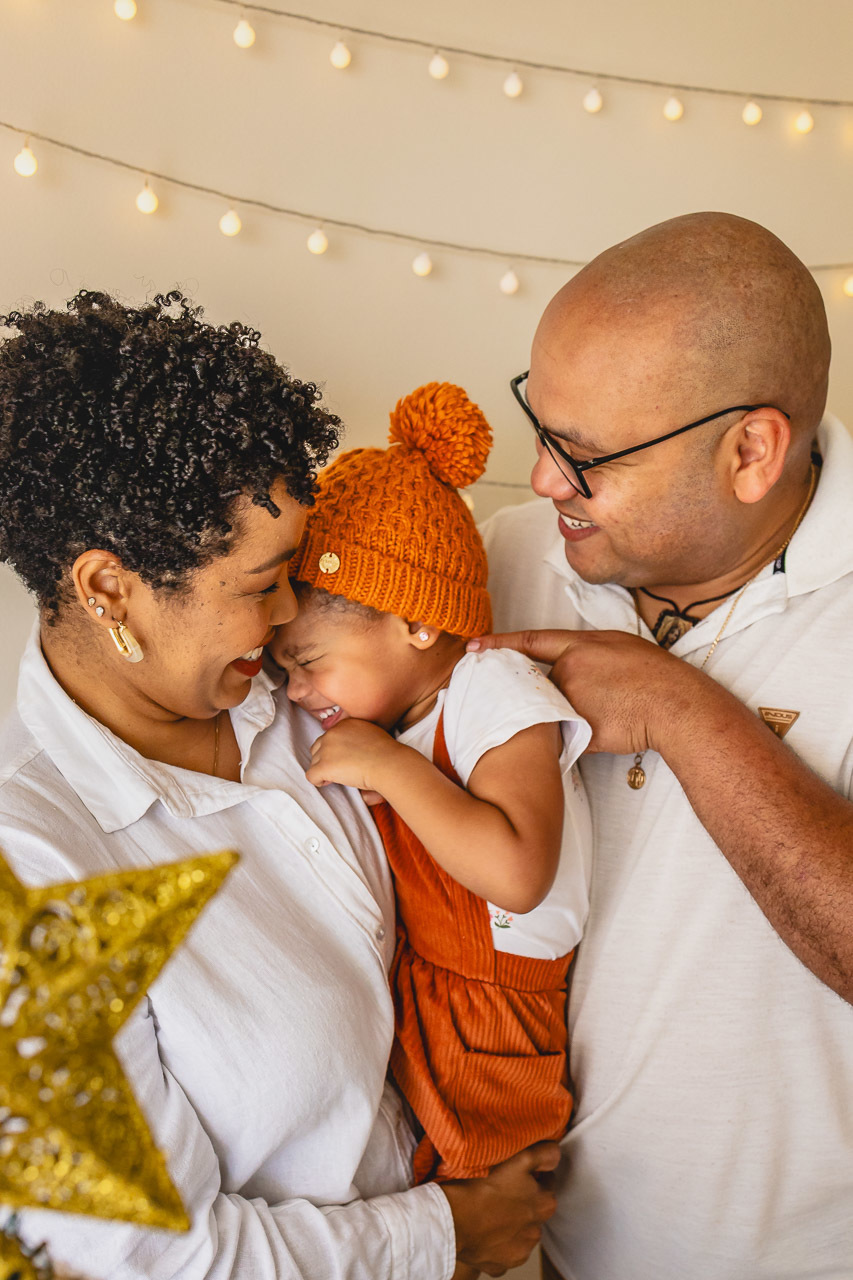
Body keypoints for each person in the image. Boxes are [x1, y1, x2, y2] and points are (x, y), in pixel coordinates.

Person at [0, 290, 558, 1280]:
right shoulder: (34, 871)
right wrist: (448, 1235)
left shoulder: (310, 697)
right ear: (108, 588)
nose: (296, 612)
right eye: (262, 585)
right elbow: (142, 1255)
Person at [471, 212, 853, 1280]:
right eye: (541, 425)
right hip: (550, 1254)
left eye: (586, 456)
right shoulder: (503, 558)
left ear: (750, 451)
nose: (541, 481)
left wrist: (682, 712)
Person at [268, 383, 592, 1210]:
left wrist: (389, 769)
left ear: (414, 622)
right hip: (430, 998)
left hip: (495, 1020)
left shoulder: (493, 688)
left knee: (480, 1210)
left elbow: (519, 873)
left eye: (307, 661)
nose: (297, 691)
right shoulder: (404, 715)